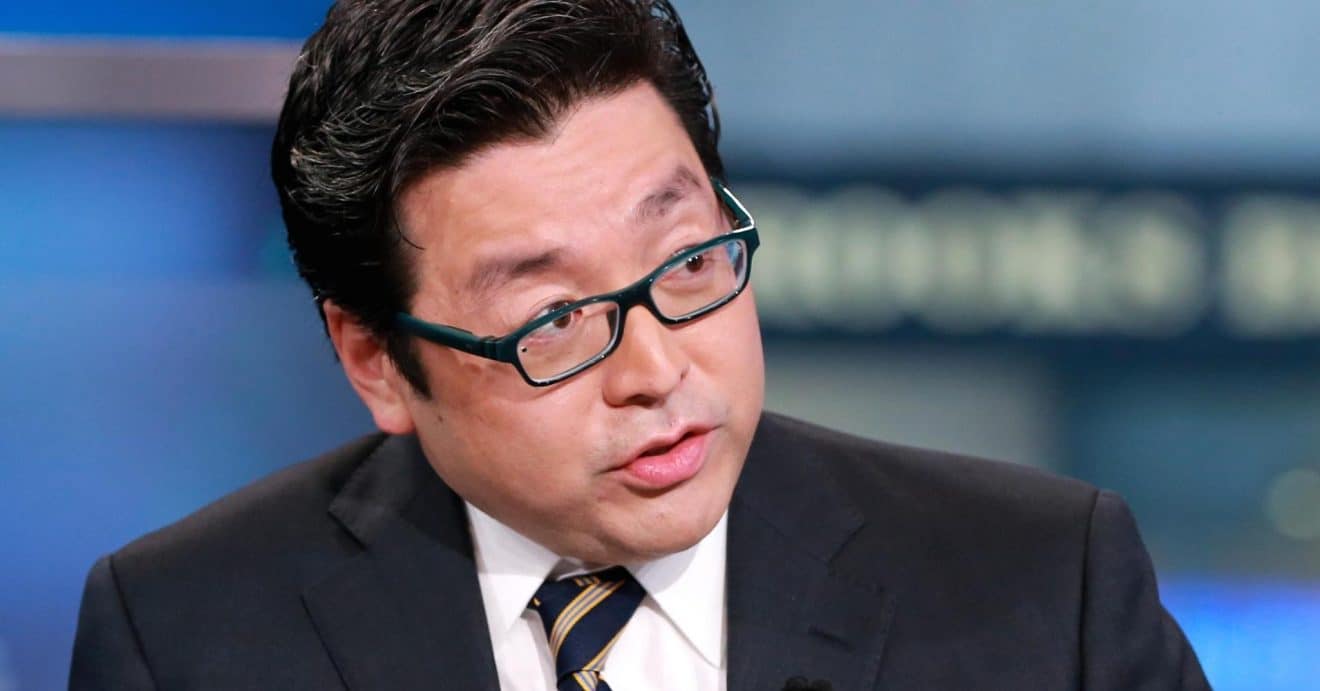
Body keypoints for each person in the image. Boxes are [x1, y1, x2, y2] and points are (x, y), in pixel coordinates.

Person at [69, 1, 1210, 689]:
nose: (658, 372)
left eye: (687, 264)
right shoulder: (186, 632)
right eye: (553, 319)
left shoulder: (1041, 587)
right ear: (376, 361)